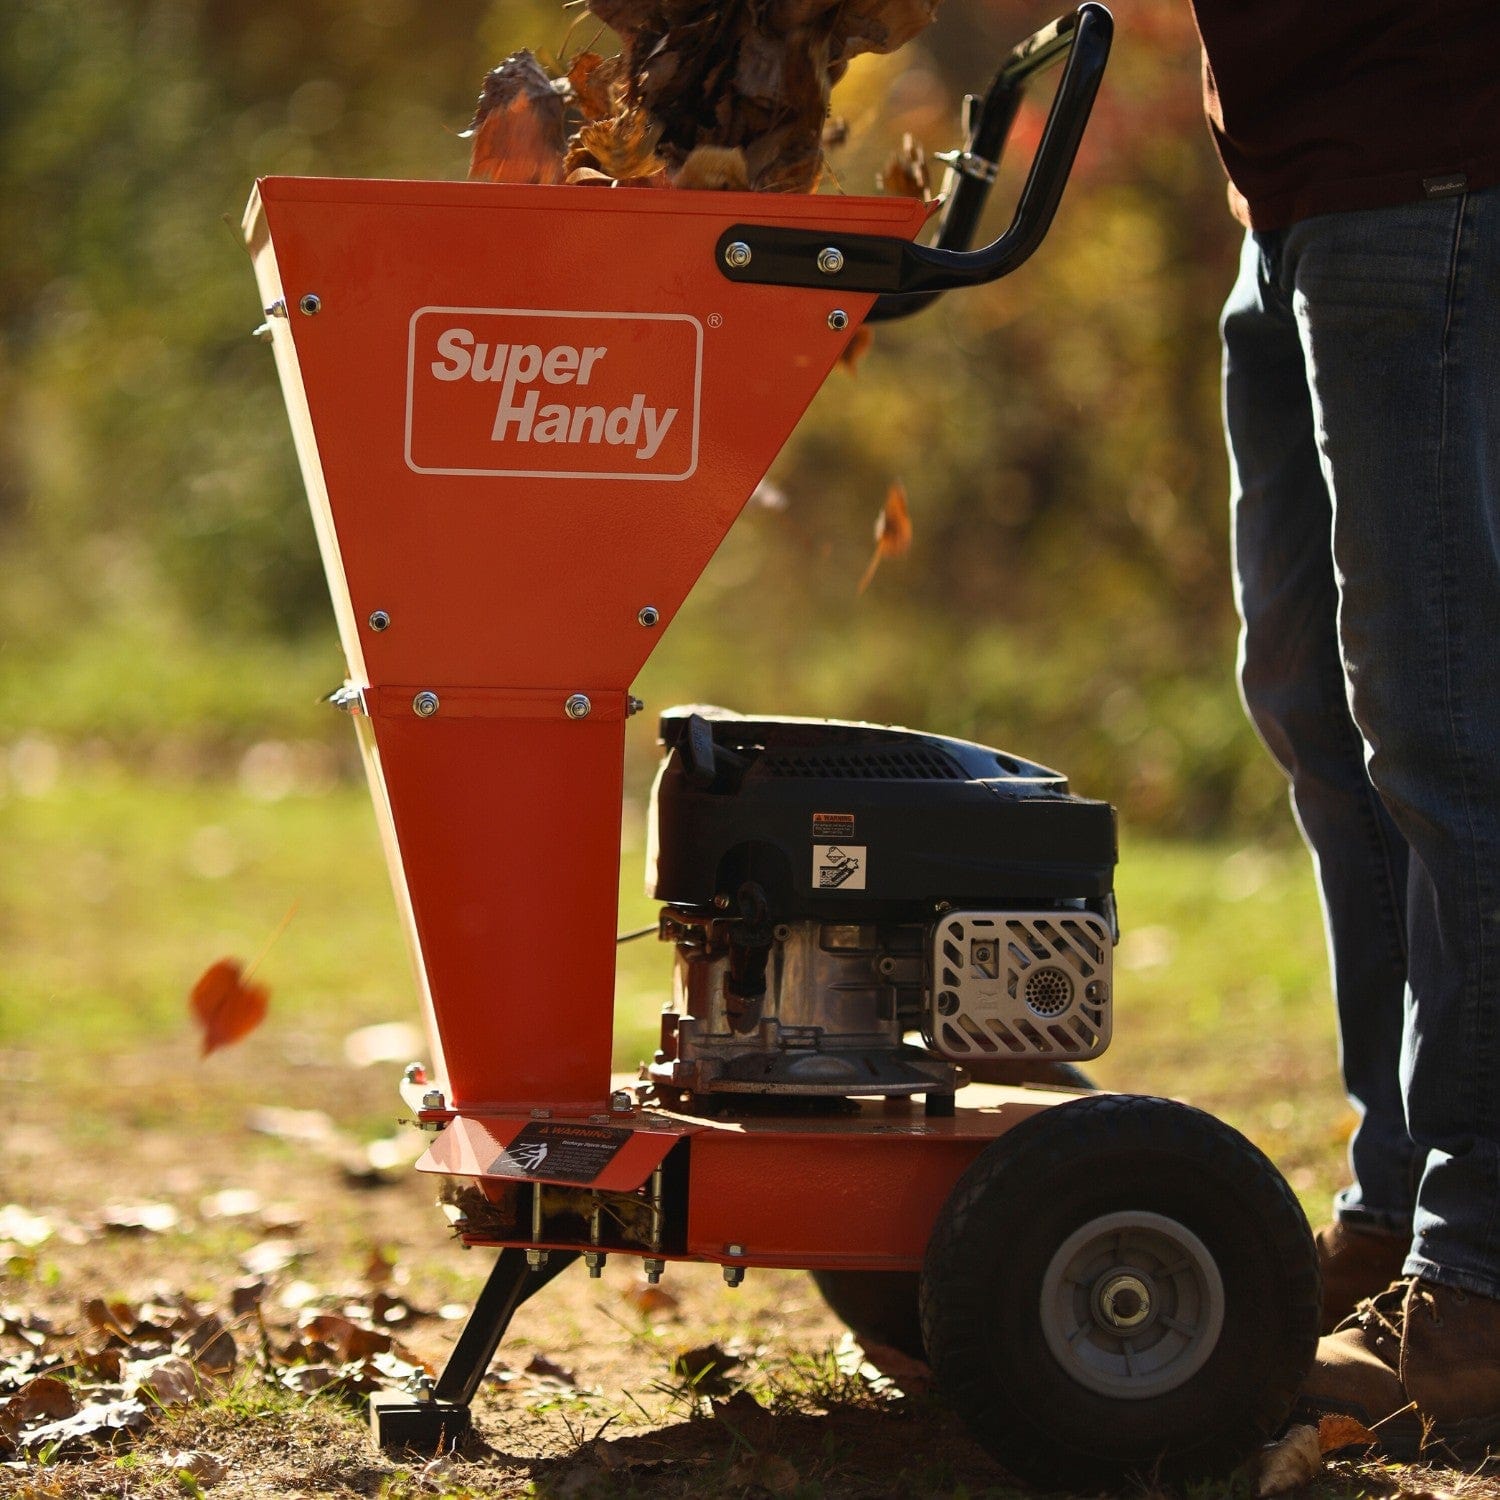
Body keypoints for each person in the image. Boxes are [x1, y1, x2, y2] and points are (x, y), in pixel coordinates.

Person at [1188, 1, 1500, 1461]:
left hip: (1428, 164)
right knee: (1320, 713)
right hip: (1295, 192)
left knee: (1443, 730)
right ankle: (1394, 1210)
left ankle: (1483, 1275)